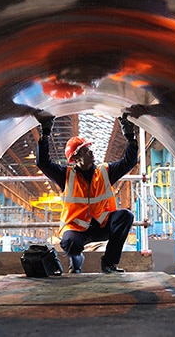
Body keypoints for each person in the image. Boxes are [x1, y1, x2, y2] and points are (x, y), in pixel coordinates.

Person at [34, 110, 138, 273]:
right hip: (77, 229)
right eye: (85, 150)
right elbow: (43, 163)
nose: (91, 152)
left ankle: (109, 263)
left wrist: (130, 137)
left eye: (89, 148)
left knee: (126, 216)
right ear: (75, 159)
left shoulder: (105, 172)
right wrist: (45, 134)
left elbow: (129, 162)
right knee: (70, 244)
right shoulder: (65, 175)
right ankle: (76, 261)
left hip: (103, 225)